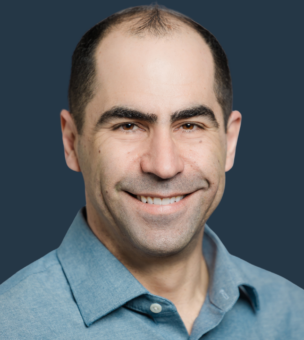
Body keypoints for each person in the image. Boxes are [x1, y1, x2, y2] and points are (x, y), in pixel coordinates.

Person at [0, 4, 303, 339]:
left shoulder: (293, 316)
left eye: (190, 125)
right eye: (128, 125)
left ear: (229, 142)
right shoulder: (10, 325)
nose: (164, 165)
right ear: (72, 142)